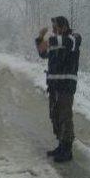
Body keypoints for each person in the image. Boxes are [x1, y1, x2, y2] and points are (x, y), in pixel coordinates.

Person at [35, 16, 82, 162]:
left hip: (66, 87)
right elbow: (43, 54)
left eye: (56, 27)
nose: (54, 30)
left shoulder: (73, 38)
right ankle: (61, 145)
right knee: (55, 116)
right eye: (53, 27)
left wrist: (49, 41)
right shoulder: (56, 44)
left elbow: (68, 42)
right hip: (54, 87)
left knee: (65, 117)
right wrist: (39, 38)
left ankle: (67, 150)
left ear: (63, 26)